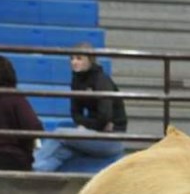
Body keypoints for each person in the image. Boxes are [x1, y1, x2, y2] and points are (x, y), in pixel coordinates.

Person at [33, 42, 127, 172]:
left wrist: (88, 126)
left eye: (79, 58)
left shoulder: (101, 80)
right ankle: (36, 174)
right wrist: (89, 126)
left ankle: (30, 165)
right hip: (95, 133)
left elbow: (105, 116)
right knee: (62, 152)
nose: (74, 62)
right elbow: (75, 114)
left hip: (112, 138)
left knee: (59, 133)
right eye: (72, 58)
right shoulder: (77, 81)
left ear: (90, 60)